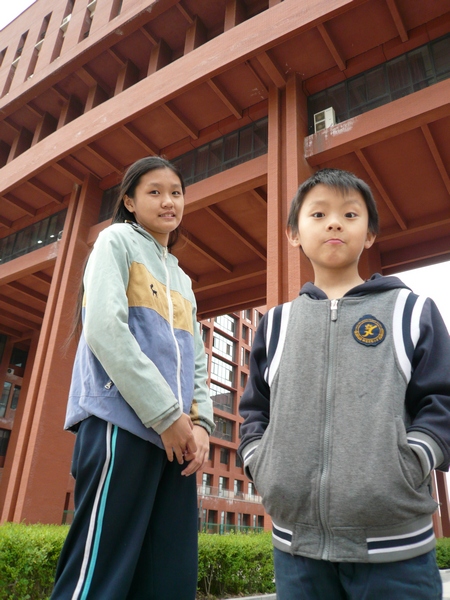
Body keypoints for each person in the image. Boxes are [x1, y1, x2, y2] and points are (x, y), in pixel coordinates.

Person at [238, 168, 450, 599]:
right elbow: (255, 410)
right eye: (318, 214)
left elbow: (442, 400)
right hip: (297, 550)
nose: (334, 222)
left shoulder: (411, 312)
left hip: (396, 551)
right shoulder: (276, 324)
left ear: (369, 234)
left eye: (350, 214)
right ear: (294, 232)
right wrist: (260, 461)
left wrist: (413, 459)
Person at [51, 156, 214, 600]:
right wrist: (166, 415)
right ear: (129, 200)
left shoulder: (181, 277)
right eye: (154, 192)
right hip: (120, 426)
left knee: (168, 576)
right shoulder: (116, 241)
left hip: (176, 440)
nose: (168, 202)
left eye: (176, 192)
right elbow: (105, 329)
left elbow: (197, 357)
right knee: (100, 572)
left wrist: (200, 424)